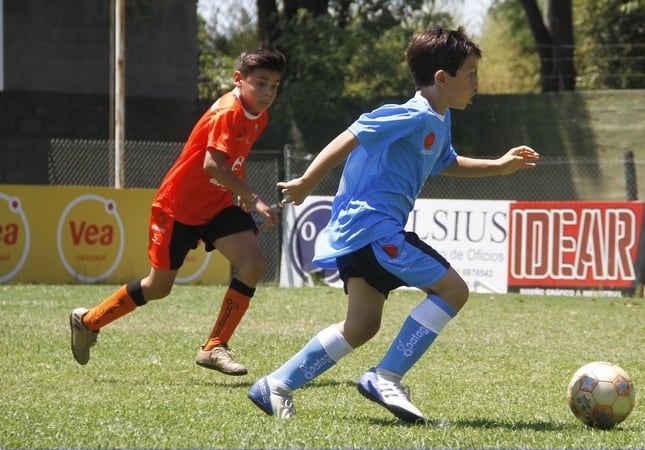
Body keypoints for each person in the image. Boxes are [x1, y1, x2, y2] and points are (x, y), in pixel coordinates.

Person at [248, 27, 539, 422]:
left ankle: (276, 384)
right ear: (442, 77)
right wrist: (307, 182)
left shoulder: (439, 118)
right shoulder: (411, 113)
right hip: (373, 228)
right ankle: (386, 376)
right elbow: (352, 134)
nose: (476, 82)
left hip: (359, 233)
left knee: (362, 325)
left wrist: (499, 166)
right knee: (453, 290)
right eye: (470, 73)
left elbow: (446, 162)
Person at [69, 49, 286, 375]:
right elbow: (212, 164)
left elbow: (231, 161)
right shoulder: (229, 111)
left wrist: (240, 190)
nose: (268, 93)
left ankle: (214, 346)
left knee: (253, 264)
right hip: (178, 208)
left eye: (274, 86)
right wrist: (252, 197)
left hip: (217, 205)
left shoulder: (258, 115)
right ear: (238, 80)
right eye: (261, 84)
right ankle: (88, 321)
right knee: (159, 287)